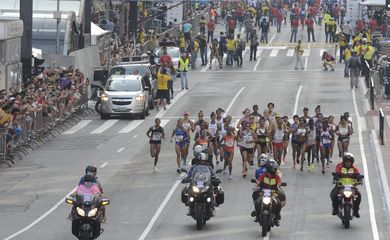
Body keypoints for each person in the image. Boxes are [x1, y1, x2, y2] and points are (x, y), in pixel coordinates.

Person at [253, 160, 286, 225]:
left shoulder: (276, 176)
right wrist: (255, 187)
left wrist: (281, 189)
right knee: (257, 202)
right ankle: (257, 215)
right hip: (263, 192)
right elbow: (258, 182)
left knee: (278, 204)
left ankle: (276, 219)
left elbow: (279, 184)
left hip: (273, 193)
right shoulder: (263, 175)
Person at [330, 153, 362, 217]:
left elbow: (358, 175)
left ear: (352, 162)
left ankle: (356, 211)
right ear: (344, 161)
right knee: (334, 195)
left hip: (352, 187)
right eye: (346, 161)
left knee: (358, 195)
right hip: (341, 186)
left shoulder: (354, 169)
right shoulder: (340, 167)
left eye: (349, 162)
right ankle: (335, 209)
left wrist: (360, 180)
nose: (348, 163)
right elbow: (336, 174)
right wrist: (335, 179)